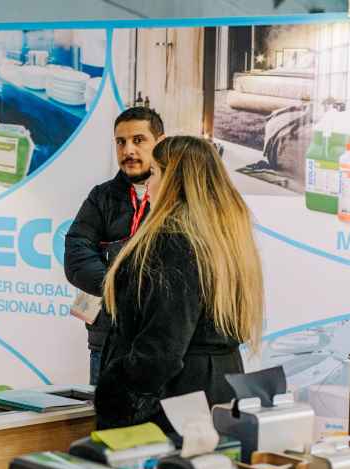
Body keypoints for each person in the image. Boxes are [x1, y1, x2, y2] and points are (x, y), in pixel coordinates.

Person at [94, 135, 265, 431]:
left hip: (173, 402)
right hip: (219, 389)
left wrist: (116, 395)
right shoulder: (225, 240)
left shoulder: (173, 243)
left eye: (155, 173)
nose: (148, 183)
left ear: (174, 180)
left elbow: (161, 349)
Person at [64, 106, 165, 385]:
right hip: (107, 342)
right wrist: (123, 288)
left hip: (160, 344)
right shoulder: (101, 197)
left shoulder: (178, 199)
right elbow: (77, 256)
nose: (128, 150)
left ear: (160, 142)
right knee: (105, 413)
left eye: (138, 140)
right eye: (121, 142)